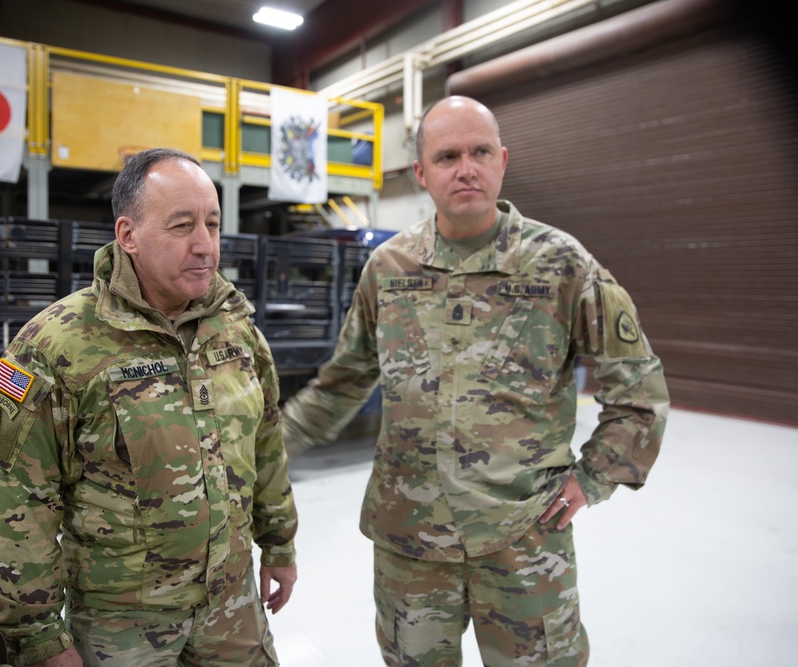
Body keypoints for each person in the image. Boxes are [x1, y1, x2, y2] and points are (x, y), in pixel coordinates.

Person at [282, 96, 669, 666]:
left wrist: (594, 477)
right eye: (447, 156)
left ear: (503, 160)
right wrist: (267, 445)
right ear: (421, 173)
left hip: (524, 542)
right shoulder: (388, 270)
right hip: (409, 543)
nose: (466, 167)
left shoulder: (562, 264)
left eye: (480, 151)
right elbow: (341, 384)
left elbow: (639, 393)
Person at [0, 148, 297, 667]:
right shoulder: (56, 345)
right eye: (182, 226)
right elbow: (18, 503)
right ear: (128, 235)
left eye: (212, 224)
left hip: (232, 609)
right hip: (120, 626)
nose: (204, 245)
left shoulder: (236, 330)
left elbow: (266, 442)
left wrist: (278, 544)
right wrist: (38, 639)